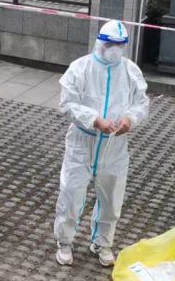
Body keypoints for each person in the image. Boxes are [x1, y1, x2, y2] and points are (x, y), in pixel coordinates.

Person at [54, 20, 150, 268]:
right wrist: (94, 120)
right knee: (71, 193)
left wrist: (130, 119)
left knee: (112, 199)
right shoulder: (80, 68)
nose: (114, 49)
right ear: (100, 42)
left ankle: (102, 243)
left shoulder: (131, 71)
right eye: (110, 44)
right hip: (82, 141)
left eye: (119, 45)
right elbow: (67, 102)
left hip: (114, 145)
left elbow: (141, 102)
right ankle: (64, 242)